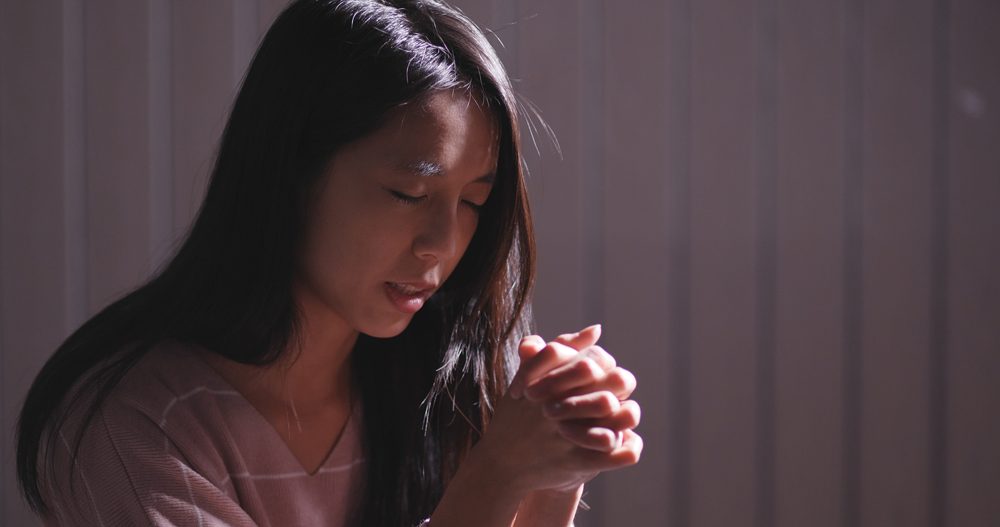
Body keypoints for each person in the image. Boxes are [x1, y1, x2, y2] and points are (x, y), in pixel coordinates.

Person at [16, 1, 642, 525]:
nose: (442, 244)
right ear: (288, 173)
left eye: (474, 202)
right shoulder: (131, 425)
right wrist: (498, 475)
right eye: (409, 194)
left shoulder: (444, 381)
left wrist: (557, 469)